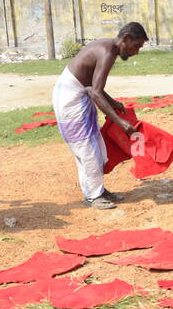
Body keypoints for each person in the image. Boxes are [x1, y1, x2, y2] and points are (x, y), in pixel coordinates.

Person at [54, 22, 148, 210]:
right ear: (126, 38)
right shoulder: (107, 52)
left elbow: (93, 86)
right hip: (70, 100)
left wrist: (113, 103)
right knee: (87, 149)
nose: (136, 52)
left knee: (96, 146)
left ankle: (98, 190)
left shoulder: (108, 48)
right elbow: (95, 92)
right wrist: (121, 123)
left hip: (79, 95)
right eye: (136, 46)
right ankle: (93, 196)